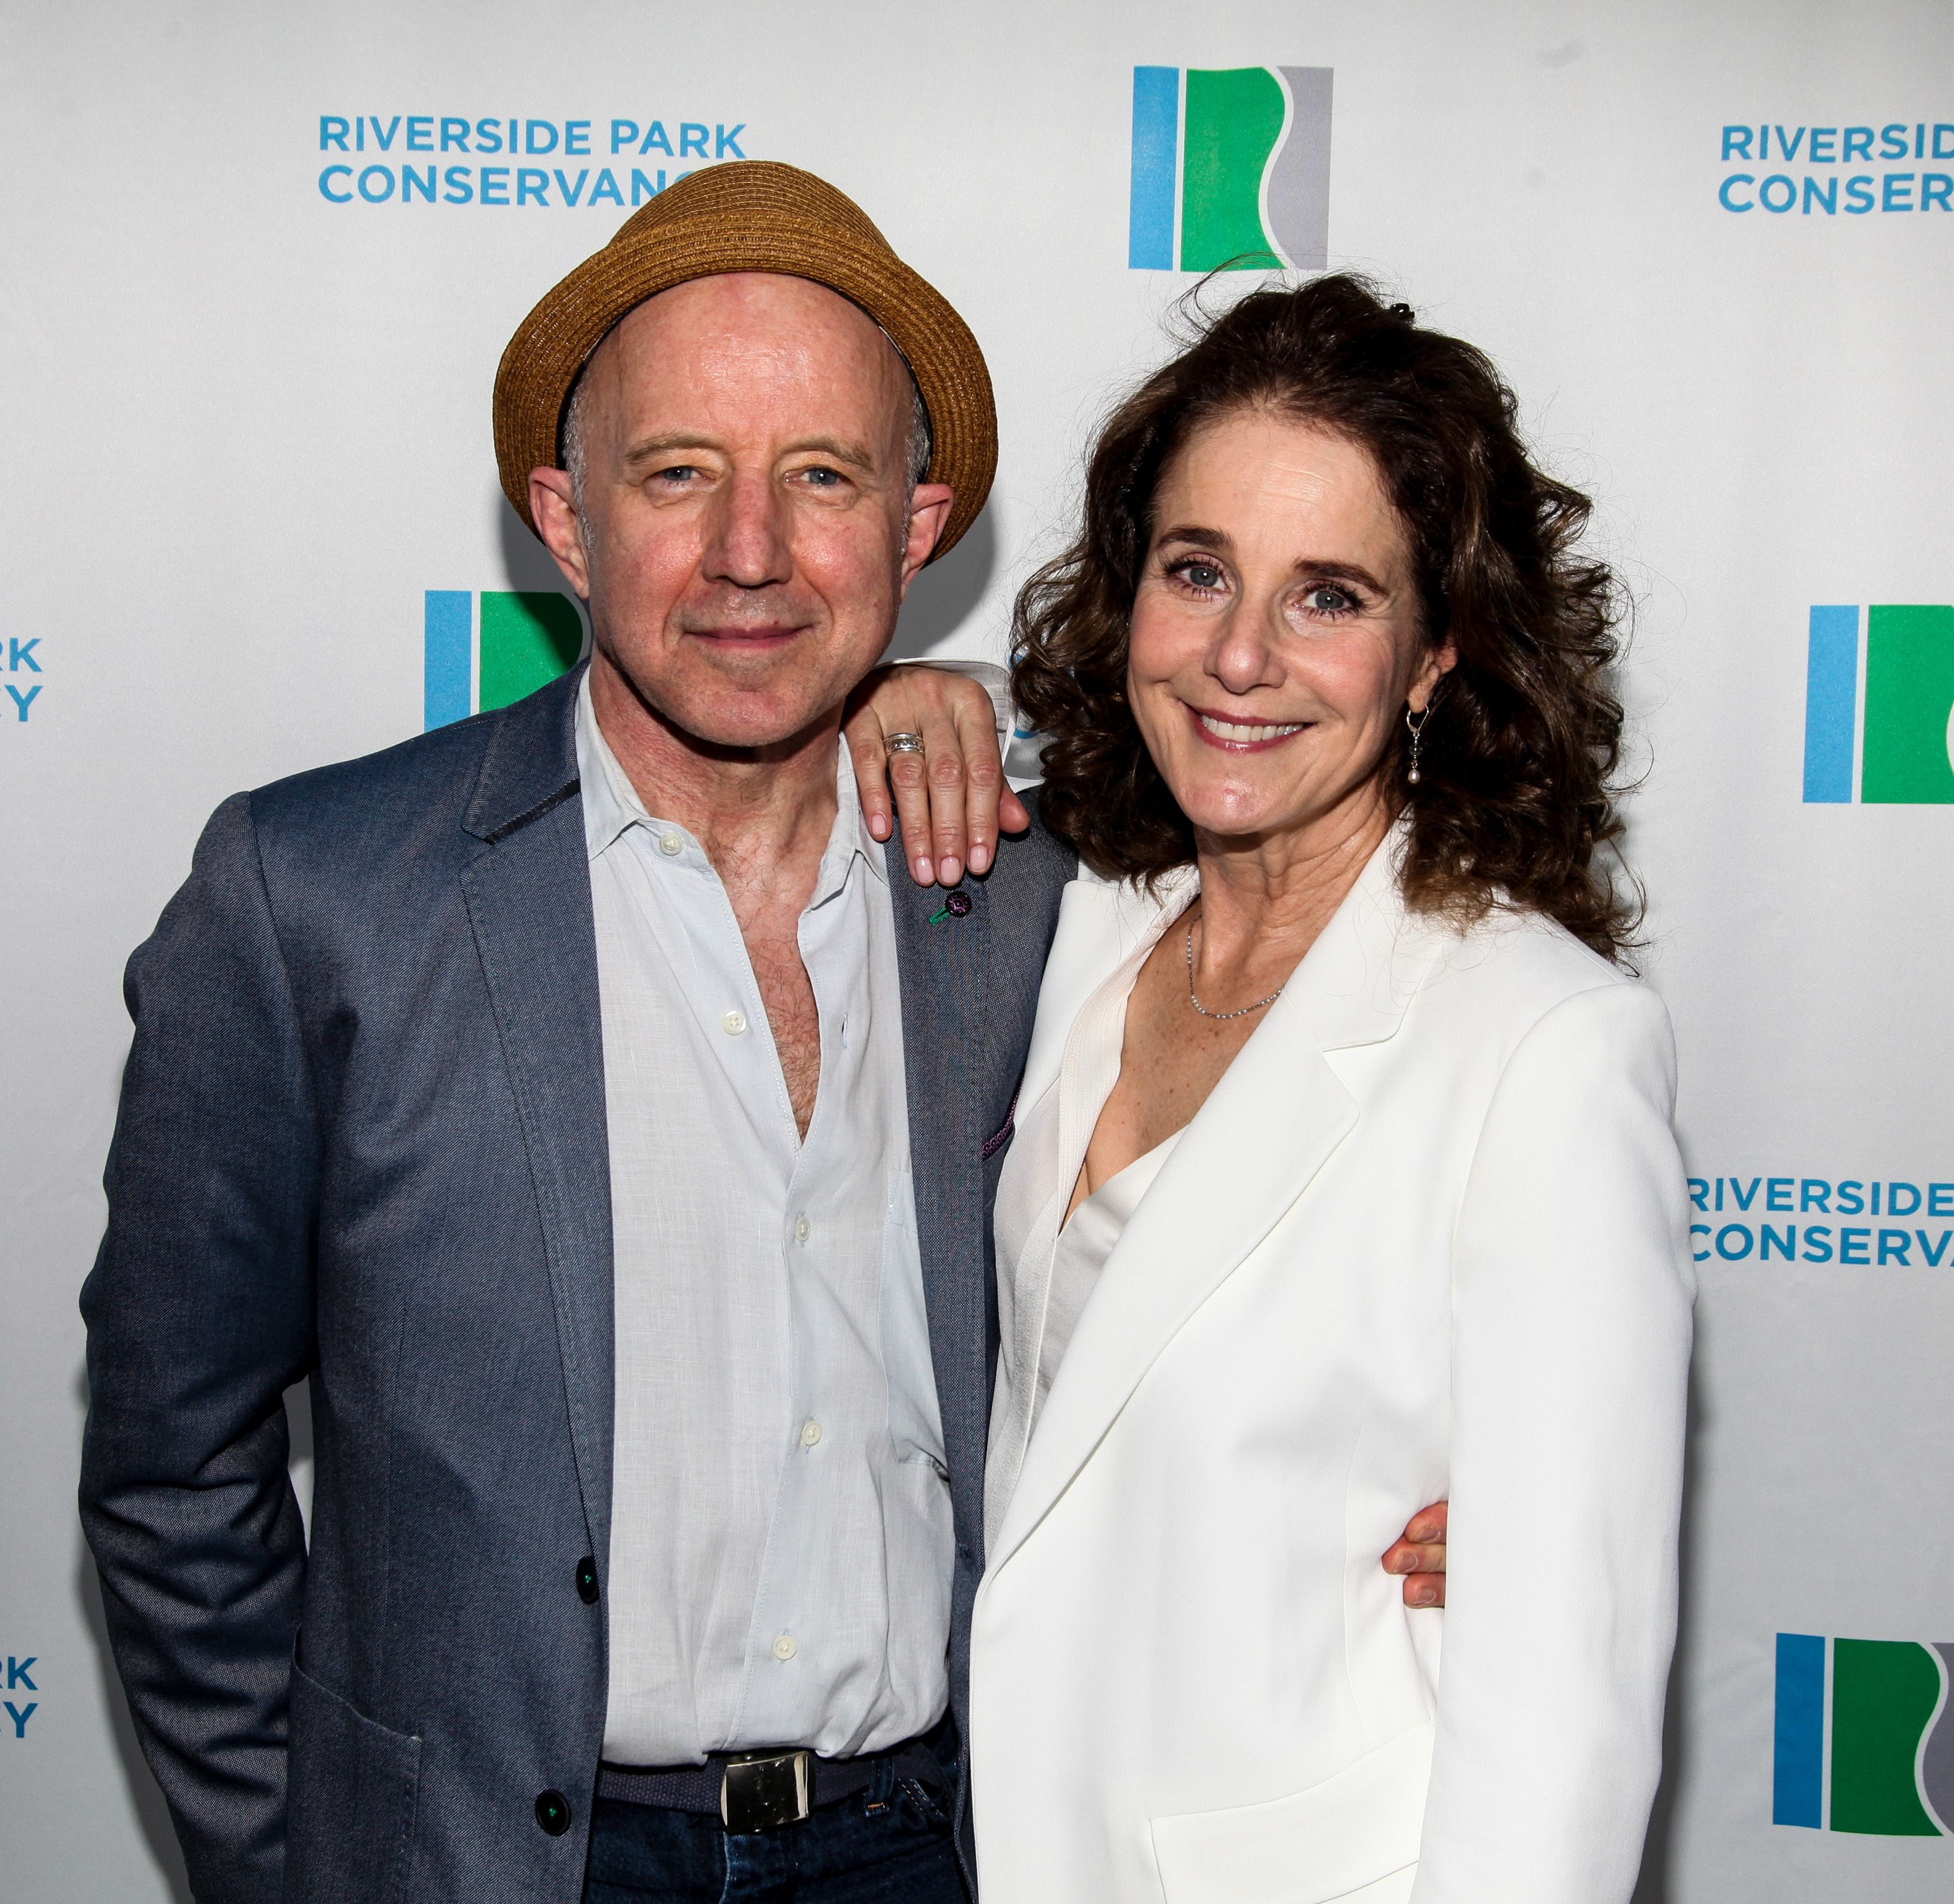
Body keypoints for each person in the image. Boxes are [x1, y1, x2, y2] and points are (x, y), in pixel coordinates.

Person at [76, 164, 1450, 1904]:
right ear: (564, 523)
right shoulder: (317, 897)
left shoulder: (1046, 902)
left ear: (917, 526)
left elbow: (1286, 1222)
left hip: (942, 1845)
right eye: (677, 476)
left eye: (823, 478)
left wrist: (1471, 1478)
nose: (749, 552)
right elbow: (166, 1465)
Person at [951, 277, 1696, 1903]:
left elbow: (1556, 1745)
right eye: (1197, 570)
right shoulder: (1085, 935)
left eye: (1331, 597)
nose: (1238, 657)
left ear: (1437, 653)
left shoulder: (1543, 1047)